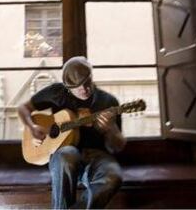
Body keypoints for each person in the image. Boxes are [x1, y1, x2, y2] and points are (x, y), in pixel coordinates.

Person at [18, 56, 126, 209]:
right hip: (64, 153)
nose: (84, 89)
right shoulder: (57, 92)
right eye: (77, 86)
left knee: (113, 176)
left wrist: (111, 129)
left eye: (87, 83)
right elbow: (24, 109)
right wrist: (32, 127)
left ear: (91, 77)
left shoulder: (108, 102)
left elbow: (117, 146)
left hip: (96, 157)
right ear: (67, 86)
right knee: (65, 154)